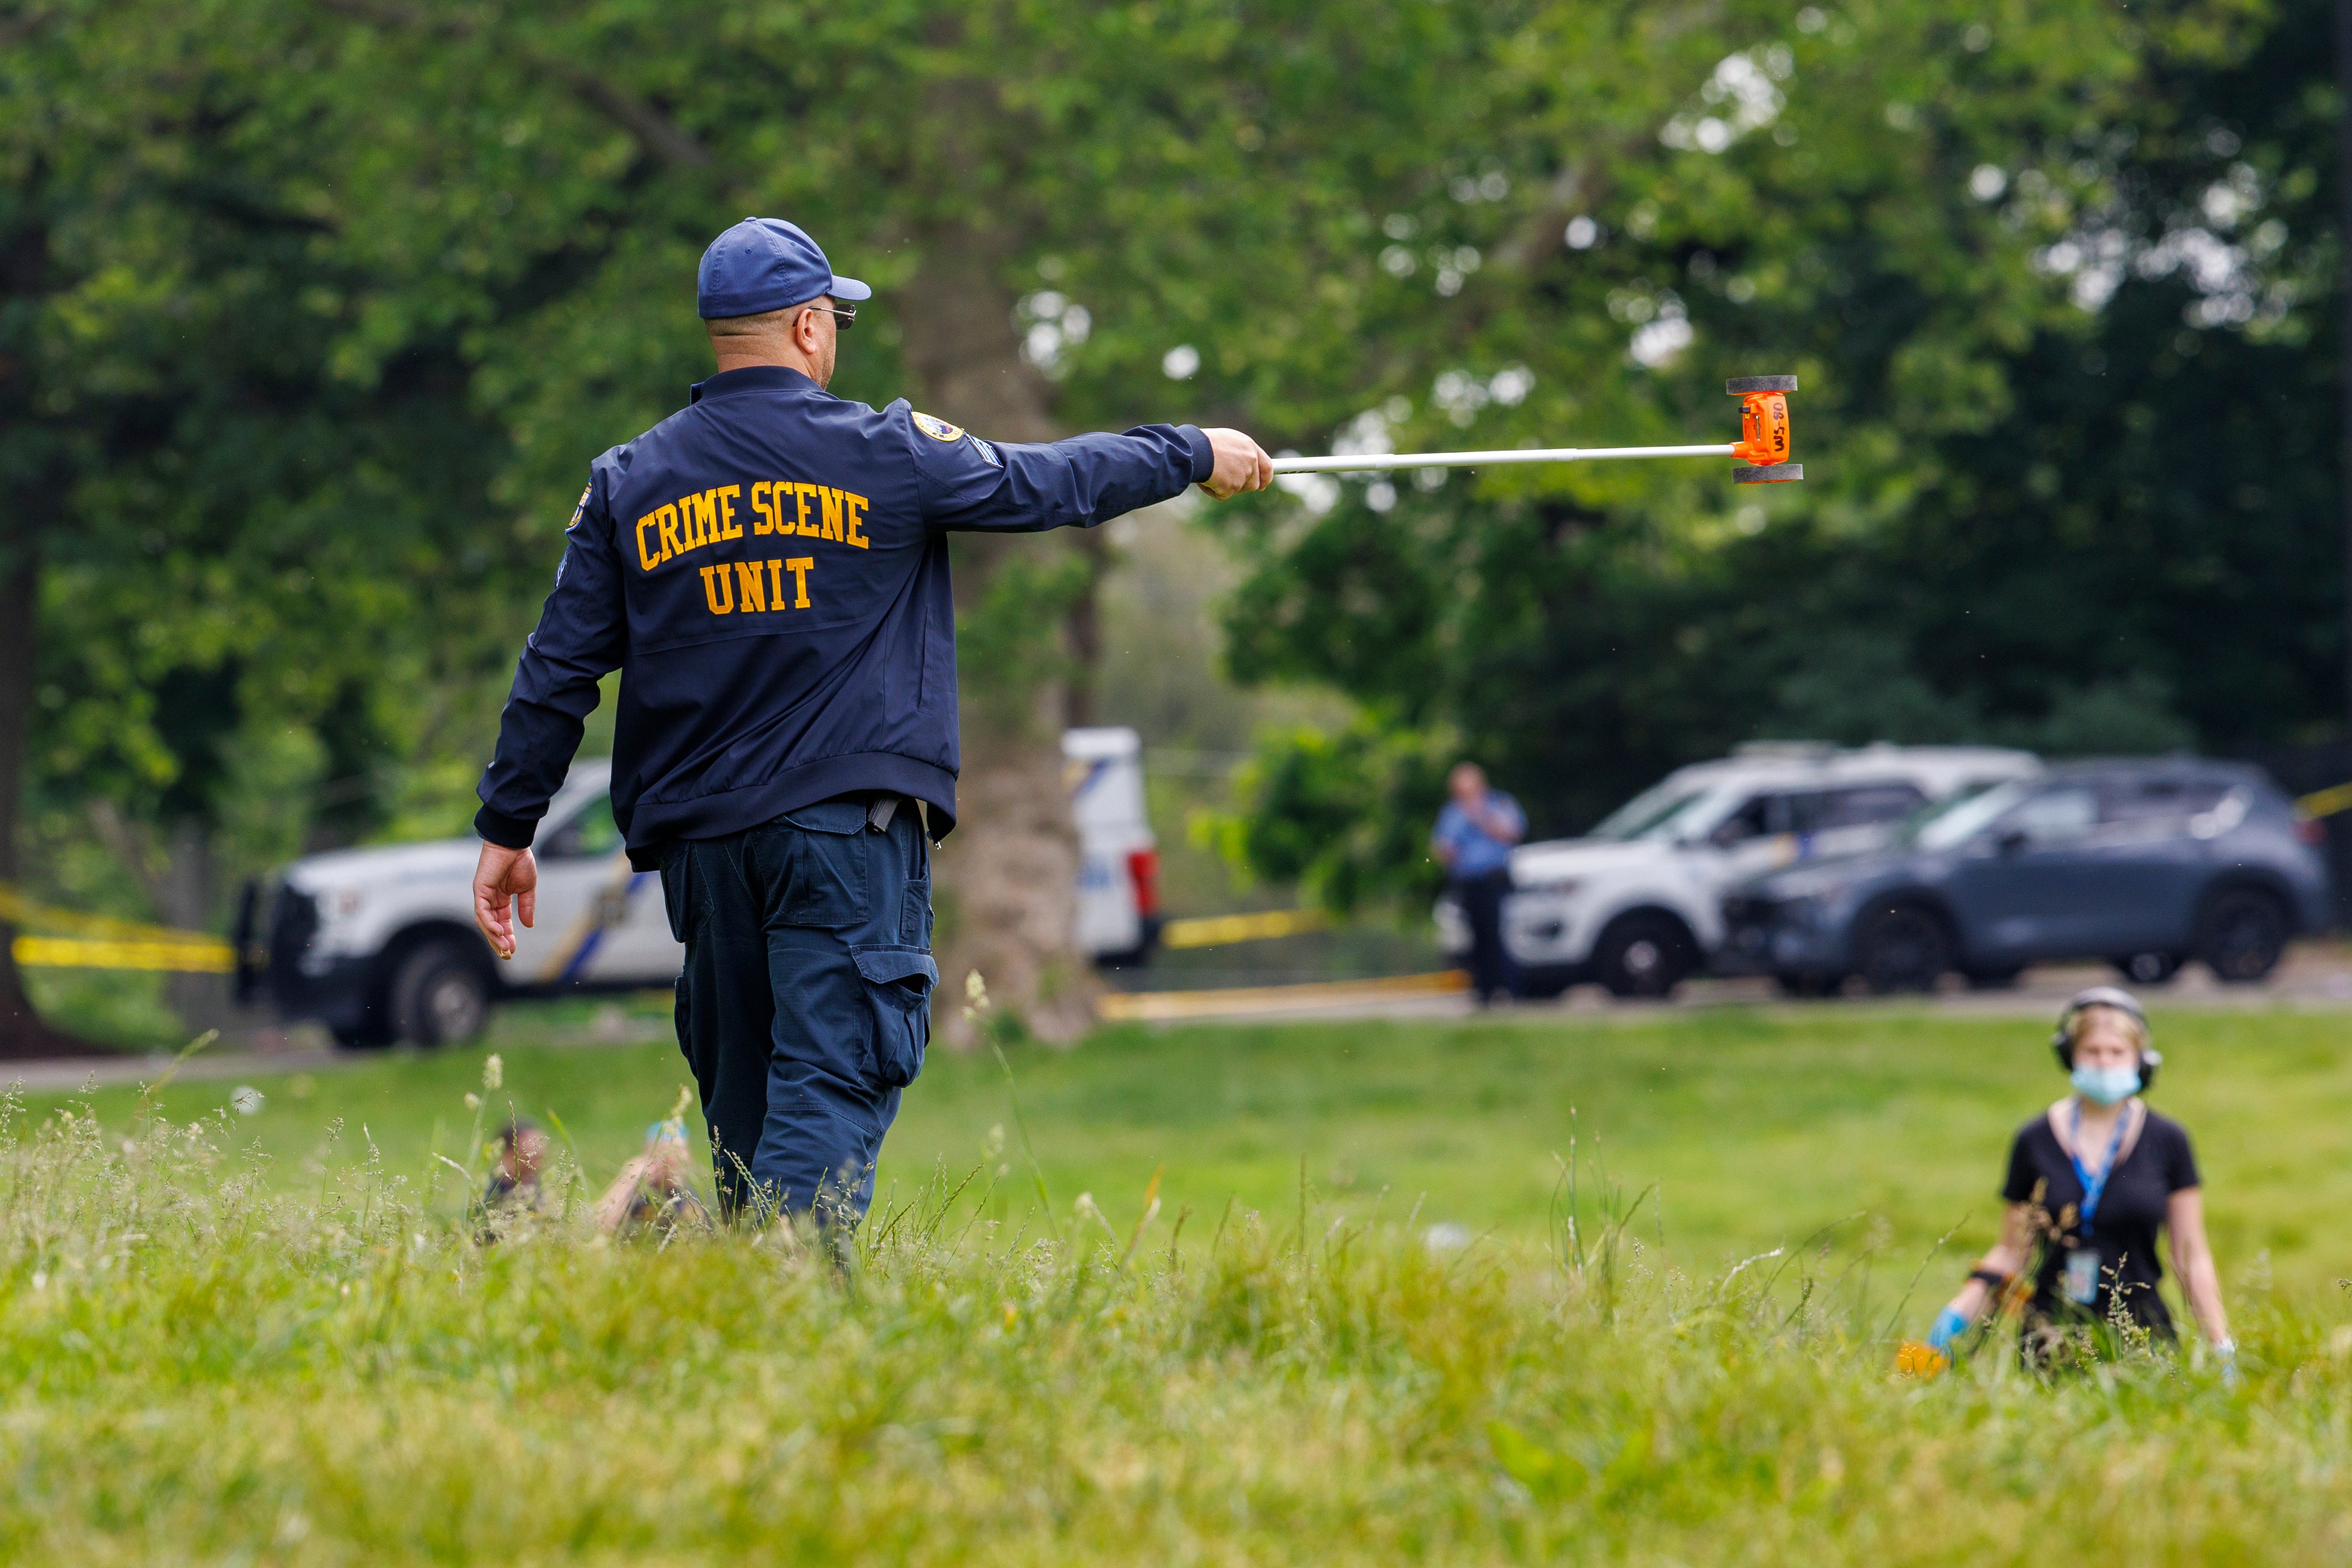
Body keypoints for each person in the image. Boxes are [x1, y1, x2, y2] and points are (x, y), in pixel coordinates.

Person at [468, 216, 1274, 1230]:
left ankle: (765, 1324)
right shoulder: (885, 452)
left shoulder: (628, 482)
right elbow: (1047, 484)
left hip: (705, 854)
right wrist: (1188, 450)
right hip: (844, 843)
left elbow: (557, 670)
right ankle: (787, 1285)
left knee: (749, 1107)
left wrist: (508, 828)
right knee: (834, 1075)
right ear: (810, 327)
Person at [1924, 987, 2233, 1373]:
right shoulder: (2033, 1139)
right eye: (2092, 1051)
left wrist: (2220, 1344)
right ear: (2070, 1056)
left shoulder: (2169, 1140)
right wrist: (1950, 1325)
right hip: (2049, 1338)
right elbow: (2011, 1252)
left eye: (2117, 1052)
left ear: (2141, 1060)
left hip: (2141, 1336)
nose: (2104, 1063)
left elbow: (2192, 1256)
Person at [1432, 762, 1526, 1006]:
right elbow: (1442, 846)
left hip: (1494, 879)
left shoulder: (1500, 804)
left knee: (1497, 934)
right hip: (1467, 881)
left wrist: (1480, 815)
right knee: (1475, 937)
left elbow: (1512, 832)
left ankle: (1509, 989)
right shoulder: (1452, 812)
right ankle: (1483, 991)